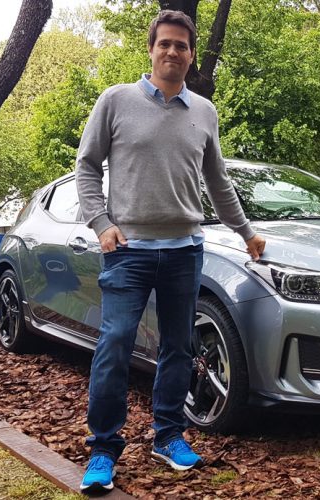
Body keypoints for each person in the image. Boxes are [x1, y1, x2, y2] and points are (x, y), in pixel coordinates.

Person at [74, 9, 265, 494]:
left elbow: (218, 181)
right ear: (151, 48)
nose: (173, 52)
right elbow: (87, 166)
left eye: (182, 45)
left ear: (192, 54)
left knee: (179, 348)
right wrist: (101, 224)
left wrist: (246, 232)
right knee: (115, 345)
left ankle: (168, 435)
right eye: (165, 43)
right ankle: (103, 449)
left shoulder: (204, 112)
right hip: (128, 251)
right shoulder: (116, 101)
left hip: (185, 251)